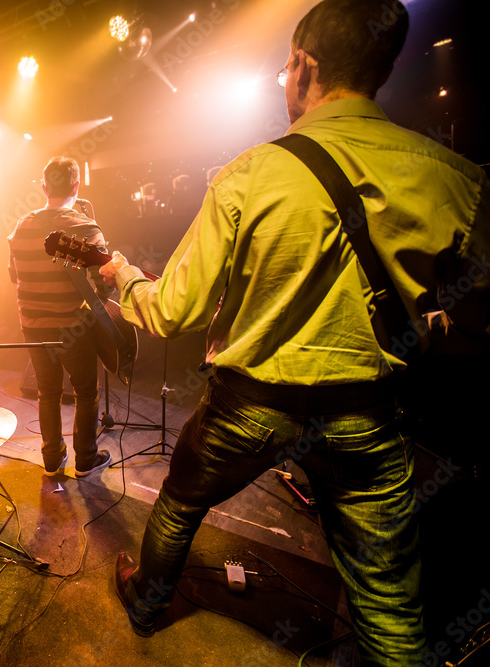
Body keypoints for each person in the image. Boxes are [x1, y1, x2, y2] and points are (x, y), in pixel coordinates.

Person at [102, 1, 488, 664]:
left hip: (245, 406)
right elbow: (474, 322)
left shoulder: (250, 173)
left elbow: (172, 311)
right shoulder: (454, 178)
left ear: (304, 67)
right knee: (390, 601)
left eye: (285, 69)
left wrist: (122, 280)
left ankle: (147, 602)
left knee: (177, 506)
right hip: (364, 412)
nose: (283, 82)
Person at [8, 156, 112, 478]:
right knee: (85, 391)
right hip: (71, 328)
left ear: (43, 187)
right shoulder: (85, 227)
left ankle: (52, 460)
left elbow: (14, 275)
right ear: (77, 186)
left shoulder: (20, 226)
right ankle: (85, 459)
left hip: (32, 325)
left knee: (47, 392)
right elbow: (103, 284)